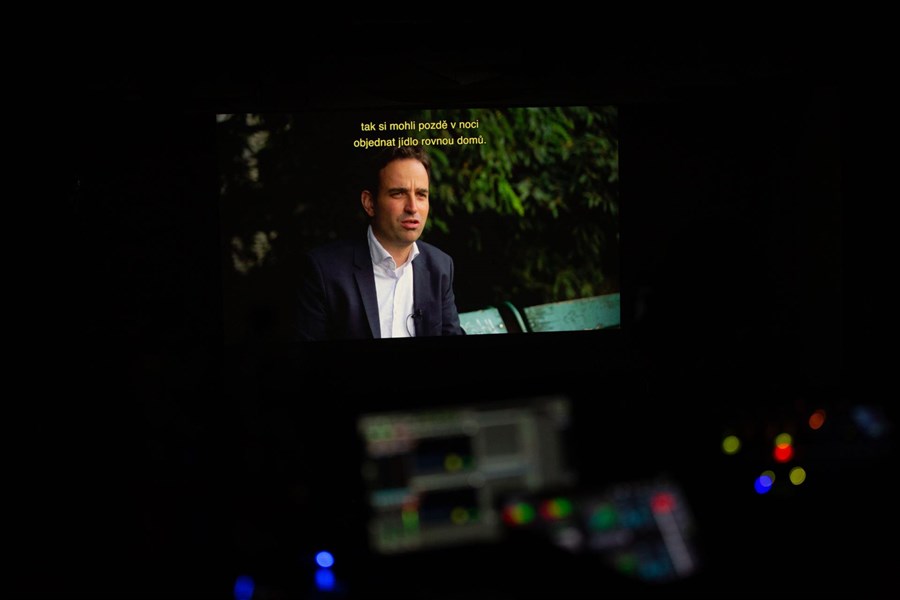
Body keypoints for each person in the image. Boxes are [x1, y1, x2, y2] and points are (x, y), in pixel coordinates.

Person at [295, 145, 466, 341]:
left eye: (421, 195)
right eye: (398, 193)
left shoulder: (440, 266)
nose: (412, 207)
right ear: (369, 203)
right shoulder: (324, 271)